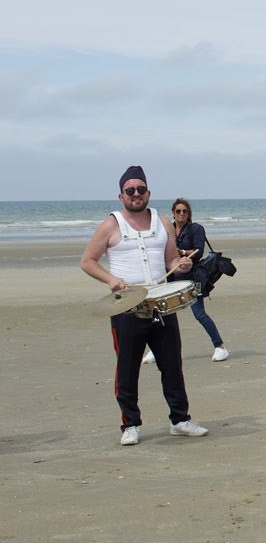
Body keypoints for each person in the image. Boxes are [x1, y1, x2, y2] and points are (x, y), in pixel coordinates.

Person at [80, 166, 205, 445]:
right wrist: (110, 279)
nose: (136, 194)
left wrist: (181, 265)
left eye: (140, 189)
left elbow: (171, 259)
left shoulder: (163, 222)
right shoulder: (110, 225)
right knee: (127, 369)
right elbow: (87, 261)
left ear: (148, 193)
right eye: (130, 190)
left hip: (162, 305)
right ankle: (130, 425)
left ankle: (180, 420)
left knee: (172, 365)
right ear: (121, 195)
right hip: (127, 307)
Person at [171, 198, 228, 361]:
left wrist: (181, 252)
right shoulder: (168, 229)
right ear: (173, 213)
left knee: (199, 314)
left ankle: (220, 347)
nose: (181, 214)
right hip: (172, 276)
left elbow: (198, 251)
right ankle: (156, 350)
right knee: (164, 316)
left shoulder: (195, 228)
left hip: (192, 277)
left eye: (185, 211)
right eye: (178, 211)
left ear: (188, 213)